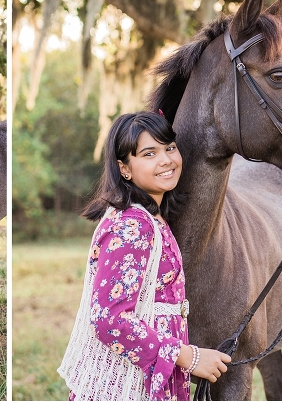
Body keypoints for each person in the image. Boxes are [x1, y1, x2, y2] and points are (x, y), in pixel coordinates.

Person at [59, 112, 231, 400]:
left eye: (170, 148)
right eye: (149, 153)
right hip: (132, 381)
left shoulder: (153, 219)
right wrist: (188, 356)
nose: (166, 160)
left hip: (151, 373)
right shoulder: (132, 225)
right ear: (124, 169)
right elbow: (108, 318)